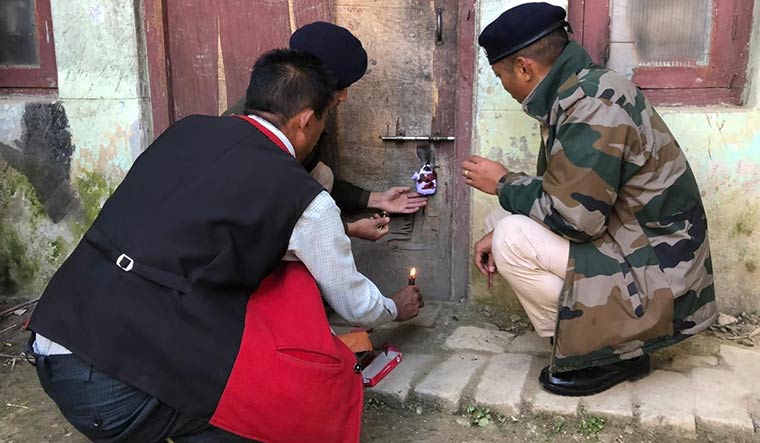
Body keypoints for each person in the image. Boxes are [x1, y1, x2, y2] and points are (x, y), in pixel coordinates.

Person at [27, 49, 422, 443]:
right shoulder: (303, 197)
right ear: (305, 121)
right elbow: (353, 302)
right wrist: (392, 307)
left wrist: (345, 227)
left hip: (54, 340)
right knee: (266, 410)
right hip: (112, 391)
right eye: (324, 121)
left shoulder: (186, 132)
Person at [465, 2, 716, 396]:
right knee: (501, 225)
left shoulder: (593, 105)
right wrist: (497, 218)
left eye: (500, 77)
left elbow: (576, 220)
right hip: (640, 251)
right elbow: (567, 192)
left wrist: (502, 184)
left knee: (512, 237)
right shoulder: (580, 91)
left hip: (663, 278)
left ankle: (607, 353)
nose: (504, 87)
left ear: (525, 69)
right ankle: (600, 343)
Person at [224, 21, 427, 242]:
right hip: (236, 244)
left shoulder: (290, 109)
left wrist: (375, 199)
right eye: (339, 87)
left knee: (323, 174)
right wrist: (348, 229)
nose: (344, 97)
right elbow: (271, 223)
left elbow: (307, 177)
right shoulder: (262, 135)